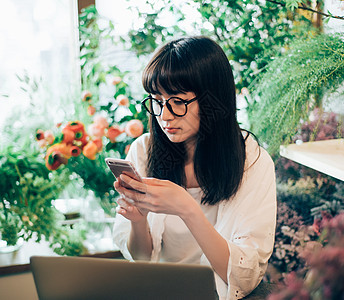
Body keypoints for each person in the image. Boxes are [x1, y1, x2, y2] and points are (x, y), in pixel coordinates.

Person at [112, 36, 276, 300]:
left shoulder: (252, 161)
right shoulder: (143, 151)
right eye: (157, 100)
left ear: (212, 101)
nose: (165, 115)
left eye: (178, 101)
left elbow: (243, 278)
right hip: (160, 292)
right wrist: (138, 221)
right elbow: (141, 259)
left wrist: (187, 209)